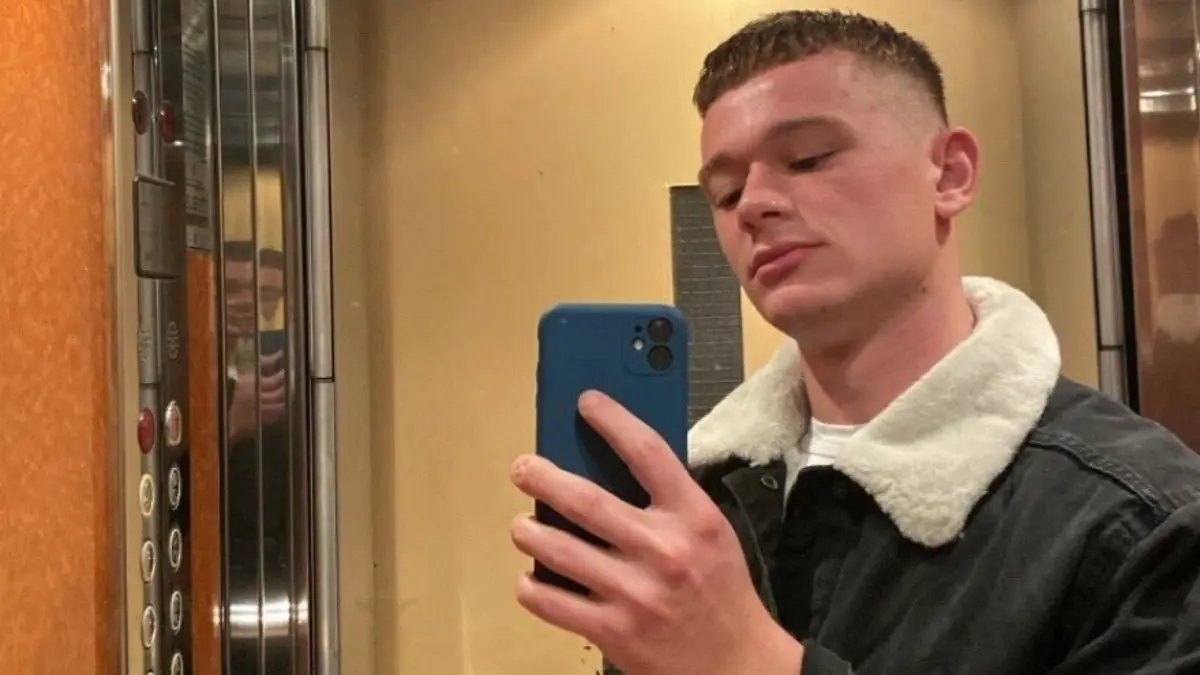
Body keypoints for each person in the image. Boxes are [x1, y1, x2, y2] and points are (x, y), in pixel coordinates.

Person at [509, 9, 1200, 674]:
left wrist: (750, 666)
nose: (754, 205)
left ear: (950, 174)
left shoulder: (1144, 522)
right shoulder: (698, 496)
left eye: (807, 159)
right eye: (725, 193)